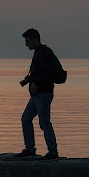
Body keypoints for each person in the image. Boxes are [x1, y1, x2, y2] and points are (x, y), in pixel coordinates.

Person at [16, 28, 59, 159]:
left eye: (27, 41)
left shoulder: (45, 53)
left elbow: (49, 74)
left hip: (44, 94)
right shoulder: (38, 53)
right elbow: (39, 72)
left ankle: (53, 153)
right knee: (26, 119)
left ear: (35, 39)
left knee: (44, 123)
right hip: (37, 95)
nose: (26, 44)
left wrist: (37, 83)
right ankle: (30, 149)